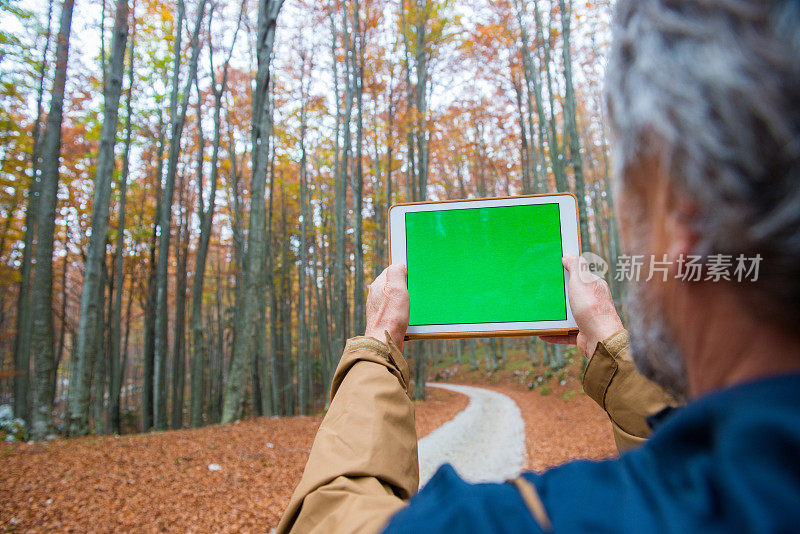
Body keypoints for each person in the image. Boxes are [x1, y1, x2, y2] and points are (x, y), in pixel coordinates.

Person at [277, 0, 800, 531]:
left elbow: (327, 519)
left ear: (684, 206)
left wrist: (377, 348)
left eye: (632, 191)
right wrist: (612, 351)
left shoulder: (548, 519)